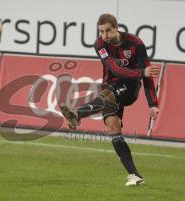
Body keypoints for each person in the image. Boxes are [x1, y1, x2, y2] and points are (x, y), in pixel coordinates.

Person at [59, 13, 160, 186]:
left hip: (130, 87)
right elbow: (114, 68)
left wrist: (152, 103)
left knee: (108, 95)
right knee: (113, 126)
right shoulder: (100, 45)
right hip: (109, 87)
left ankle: (77, 115)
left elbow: (147, 77)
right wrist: (141, 72)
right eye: (101, 32)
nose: (104, 36)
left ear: (116, 28)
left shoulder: (136, 44)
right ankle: (135, 176)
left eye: (108, 31)